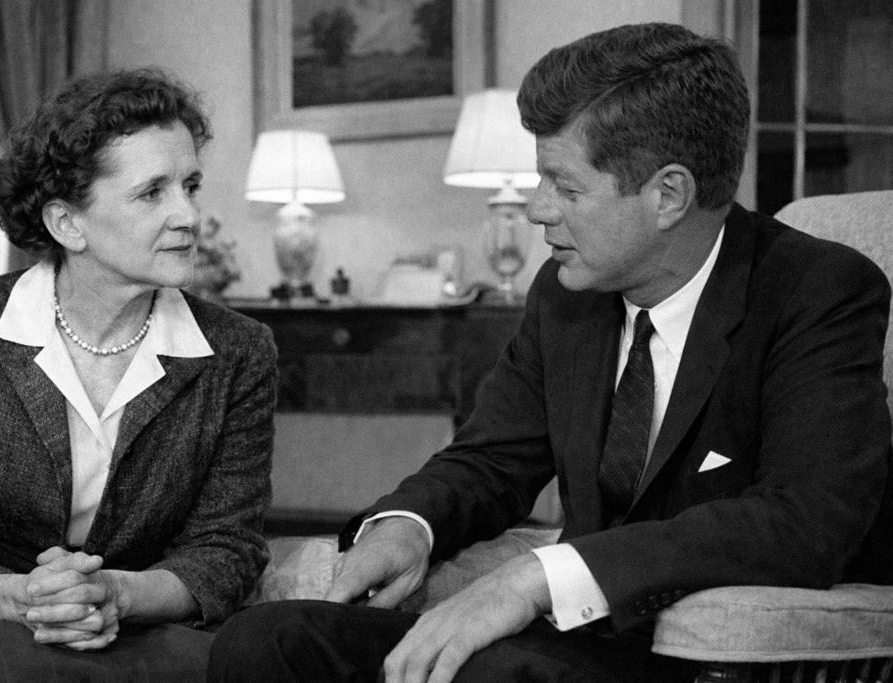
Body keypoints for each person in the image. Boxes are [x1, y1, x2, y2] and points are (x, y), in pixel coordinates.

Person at [206, 22, 893, 683]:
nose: (537, 210)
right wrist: (406, 527)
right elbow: (492, 456)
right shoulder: (568, 293)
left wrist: (538, 576)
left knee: (497, 670)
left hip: (698, 652)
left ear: (669, 194)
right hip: (575, 640)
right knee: (269, 639)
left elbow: (803, 520)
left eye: (564, 186)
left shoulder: (817, 290)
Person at [0, 68, 277, 683]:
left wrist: (115, 594)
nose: (188, 214)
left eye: (190, 185)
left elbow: (227, 550)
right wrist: (24, 598)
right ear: (67, 224)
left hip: (141, 628)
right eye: (153, 192)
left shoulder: (238, 352)